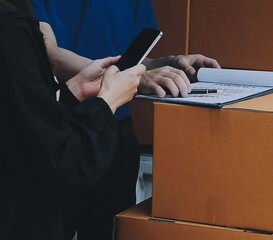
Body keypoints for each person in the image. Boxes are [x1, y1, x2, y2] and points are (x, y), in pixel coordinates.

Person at [29, 1, 221, 240]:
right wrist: (121, 78)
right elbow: (49, 54)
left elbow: (131, 60)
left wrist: (168, 63)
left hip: (114, 133)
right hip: (59, 135)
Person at [0, 1, 147, 239]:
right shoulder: (11, 29)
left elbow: (20, 116)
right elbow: (62, 161)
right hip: (23, 209)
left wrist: (74, 91)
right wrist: (107, 101)